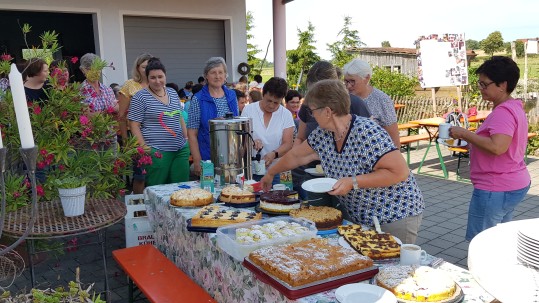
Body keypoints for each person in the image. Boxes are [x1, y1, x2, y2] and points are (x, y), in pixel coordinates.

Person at [261, 79, 424, 244]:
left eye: (312, 111)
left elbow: (399, 172)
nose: (311, 116)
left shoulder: (367, 132)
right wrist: (271, 173)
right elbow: (296, 156)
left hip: (394, 214)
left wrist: (353, 182)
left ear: (327, 111)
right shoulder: (323, 134)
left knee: (393, 266)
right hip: (363, 215)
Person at [449, 56, 530, 241]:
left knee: (481, 242)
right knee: (498, 239)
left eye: (485, 84)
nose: (481, 88)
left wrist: (465, 134)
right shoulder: (514, 106)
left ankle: (480, 271)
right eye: (480, 83)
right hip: (512, 182)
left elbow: (498, 147)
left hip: (496, 187)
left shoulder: (503, 112)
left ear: (503, 84)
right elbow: (499, 143)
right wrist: (470, 141)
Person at [293, 61, 370, 200]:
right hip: (311, 178)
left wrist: (330, 155)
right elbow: (300, 138)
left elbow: (367, 148)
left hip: (347, 183)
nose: (316, 99)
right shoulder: (308, 105)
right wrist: (298, 157)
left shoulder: (355, 104)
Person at [128, 57, 189, 185]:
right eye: (153, 77)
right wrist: (144, 147)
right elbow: (134, 125)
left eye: (160, 77)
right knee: (158, 188)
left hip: (180, 149)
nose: (157, 81)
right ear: (147, 78)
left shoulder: (172, 92)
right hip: (157, 151)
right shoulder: (140, 97)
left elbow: (179, 116)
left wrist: (186, 138)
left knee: (181, 188)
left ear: (165, 76)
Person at [187, 57, 238, 176]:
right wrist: (197, 160)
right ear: (206, 76)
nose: (217, 76)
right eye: (213, 72)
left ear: (225, 75)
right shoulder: (198, 99)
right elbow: (192, 133)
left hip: (231, 155)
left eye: (221, 72)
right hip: (207, 155)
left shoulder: (231, 95)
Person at [241, 77, 294, 184]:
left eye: (276, 103)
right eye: (268, 100)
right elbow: (241, 138)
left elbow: (288, 144)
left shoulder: (286, 114)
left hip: (279, 170)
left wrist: (274, 154)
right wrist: (251, 141)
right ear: (263, 94)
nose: (271, 105)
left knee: (281, 198)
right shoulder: (249, 110)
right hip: (253, 170)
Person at [343, 59, 400, 147]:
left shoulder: (381, 100)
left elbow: (393, 137)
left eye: (352, 81)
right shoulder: (343, 98)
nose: (348, 86)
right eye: (346, 81)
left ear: (366, 78)